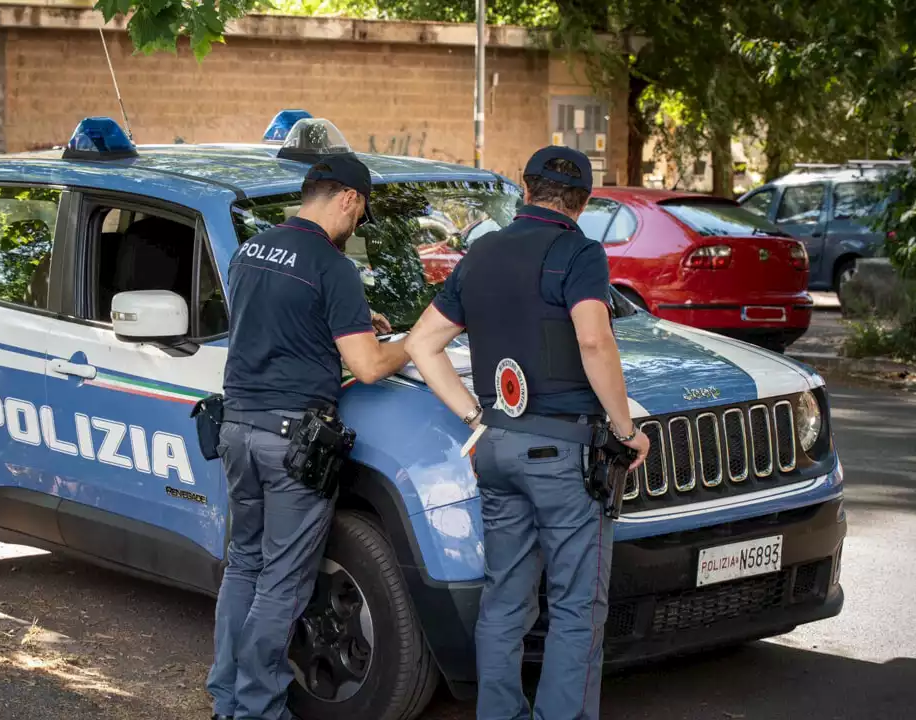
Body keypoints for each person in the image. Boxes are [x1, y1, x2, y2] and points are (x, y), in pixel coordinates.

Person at [404, 147, 649, 720]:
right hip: (565, 454)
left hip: (496, 449)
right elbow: (593, 340)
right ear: (584, 202)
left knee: (506, 599)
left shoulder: (480, 253)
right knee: (574, 605)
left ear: (525, 189)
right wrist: (625, 429)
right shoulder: (579, 252)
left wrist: (475, 416)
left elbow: (420, 344)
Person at [207, 154, 409, 720]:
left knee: (244, 564)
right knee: (282, 581)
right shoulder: (332, 266)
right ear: (348, 199)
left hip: (237, 430)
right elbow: (367, 367)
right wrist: (413, 346)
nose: (355, 226)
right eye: (359, 214)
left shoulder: (251, 251)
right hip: (292, 442)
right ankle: (258, 710)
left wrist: (350, 316)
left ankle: (227, 696)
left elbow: (279, 316)